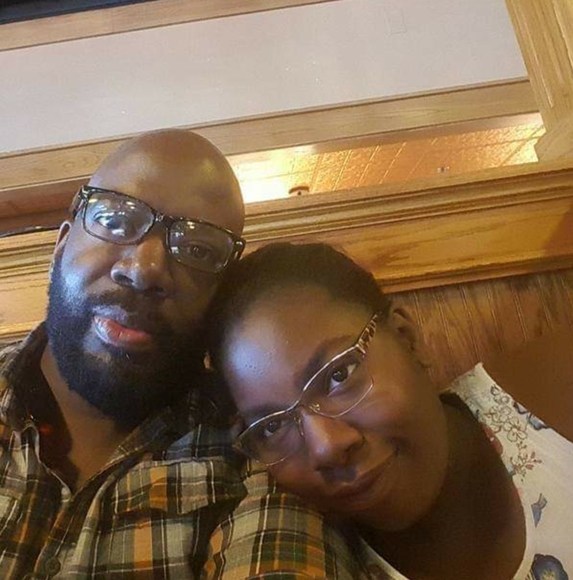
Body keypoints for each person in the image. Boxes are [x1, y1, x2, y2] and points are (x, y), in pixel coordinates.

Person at [0, 132, 365, 579]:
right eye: (116, 221)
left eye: (197, 250)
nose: (145, 270)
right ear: (61, 244)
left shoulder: (260, 457)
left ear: (220, 295)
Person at [207, 242, 573, 580]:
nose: (326, 446)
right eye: (272, 427)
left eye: (339, 375)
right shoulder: (316, 561)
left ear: (406, 338)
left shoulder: (552, 393)